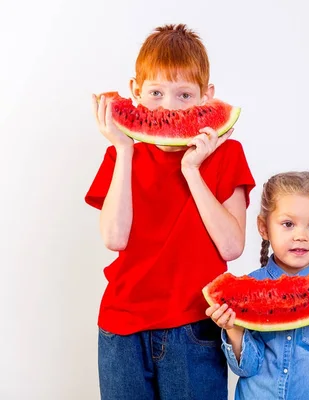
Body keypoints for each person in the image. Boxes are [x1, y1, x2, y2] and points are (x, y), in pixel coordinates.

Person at [85, 23, 255, 399]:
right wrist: (125, 151)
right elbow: (114, 237)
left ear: (207, 97)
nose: (168, 108)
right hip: (121, 328)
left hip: (194, 327)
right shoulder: (119, 156)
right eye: (156, 93)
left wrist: (192, 170)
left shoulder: (228, 155)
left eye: (184, 95)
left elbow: (231, 247)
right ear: (135, 91)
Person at [206, 171, 309, 400]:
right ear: (263, 228)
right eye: (288, 224)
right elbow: (246, 368)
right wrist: (234, 329)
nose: (301, 235)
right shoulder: (248, 292)